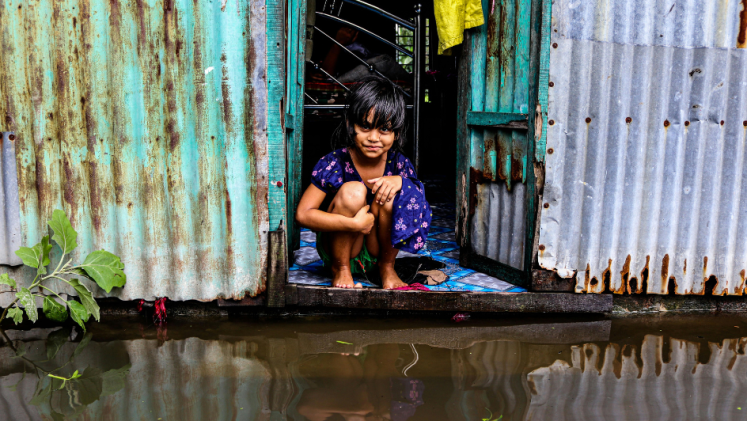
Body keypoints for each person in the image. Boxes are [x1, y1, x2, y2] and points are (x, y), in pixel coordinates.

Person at [296, 76, 431, 289]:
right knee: (353, 191)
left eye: (384, 129)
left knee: (395, 192)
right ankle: (341, 270)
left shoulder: (399, 164)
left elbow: (418, 203)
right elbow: (303, 214)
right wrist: (353, 224)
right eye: (366, 127)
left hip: (378, 250)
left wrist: (402, 183)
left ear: (396, 133)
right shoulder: (335, 163)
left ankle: (387, 268)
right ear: (351, 126)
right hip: (342, 248)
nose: (374, 138)